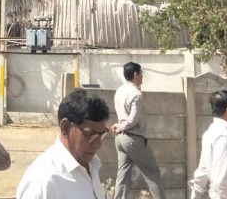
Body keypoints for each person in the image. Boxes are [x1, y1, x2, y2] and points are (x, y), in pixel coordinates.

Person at [16, 88, 110, 199]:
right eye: (90, 135)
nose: (98, 145)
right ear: (65, 128)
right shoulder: (44, 182)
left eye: (101, 135)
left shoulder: (91, 165)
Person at [110, 62, 163, 199]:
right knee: (152, 173)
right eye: (141, 73)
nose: (142, 76)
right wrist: (122, 126)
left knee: (123, 175)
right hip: (134, 138)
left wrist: (120, 126)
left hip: (120, 138)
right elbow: (133, 120)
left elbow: (124, 116)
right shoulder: (136, 94)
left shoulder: (120, 90)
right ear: (135, 74)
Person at [189, 89, 227, 199]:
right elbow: (220, 182)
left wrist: (195, 196)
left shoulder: (210, 133)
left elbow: (202, 172)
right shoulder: (224, 137)